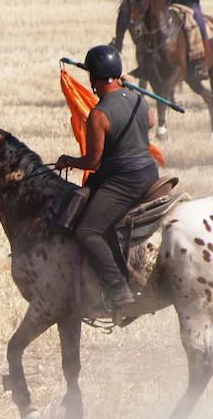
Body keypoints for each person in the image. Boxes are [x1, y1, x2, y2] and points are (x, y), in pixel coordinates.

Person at [53, 44, 158, 323]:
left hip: (124, 181)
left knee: (87, 231)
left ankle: (120, 293)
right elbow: (150, 122)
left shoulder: (99, 115)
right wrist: (129, 92)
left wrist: (68, 161)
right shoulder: (138, 99)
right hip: (150, 172)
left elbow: (93, 162)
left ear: (93, 78)